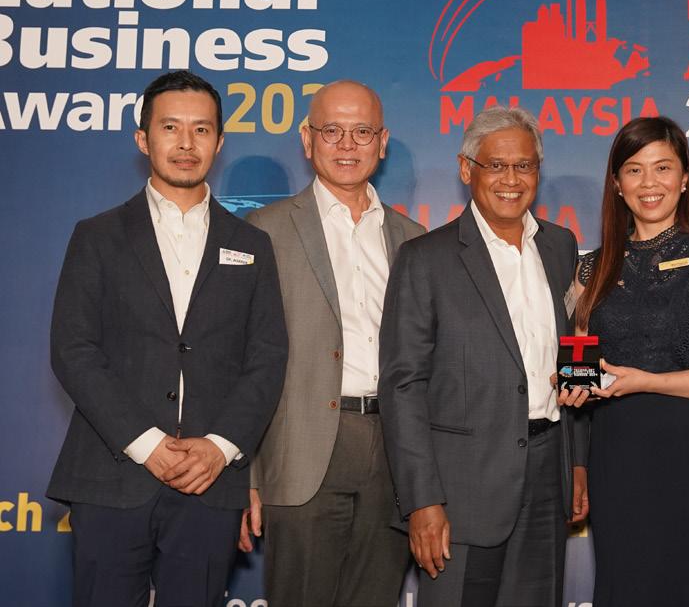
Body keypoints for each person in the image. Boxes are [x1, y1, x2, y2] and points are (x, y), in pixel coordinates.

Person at [47, 70, 288, 607]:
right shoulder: (97, 236)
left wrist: (220, 447)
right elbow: (73, 349)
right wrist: (146, 443)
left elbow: (268, 357)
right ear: (143, 139)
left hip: (210, 483)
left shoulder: (253, 245)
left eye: (201, 130)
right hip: (112, 475)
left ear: (219, 143)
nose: (186, 143)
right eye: (170, 127)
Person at [378, 105, 588, 607]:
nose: (511, 179)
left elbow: (576, 345)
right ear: (466, 169)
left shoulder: (561, 246)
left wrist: (577, 461)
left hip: (549, 474)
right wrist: (422, 500)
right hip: (460, 490)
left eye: (524, 165)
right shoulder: (426, 258)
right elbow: (403, 385)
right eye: (496, 165)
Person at [238, 80, 422, 606]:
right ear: (307, 138)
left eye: (361, 132)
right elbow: (241, 359)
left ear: (381, 143)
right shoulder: (263, 230)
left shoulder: (414, 239)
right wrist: (245, 473)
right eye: (331, 130)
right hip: (301, 452)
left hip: (395, 452)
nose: (346, 144)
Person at [561, 116, 689, 606]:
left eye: (663, 168)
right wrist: (571, 383)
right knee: (629, 584)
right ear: (616, 183)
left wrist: (648, 381)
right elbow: (580, 361)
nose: (649, 183)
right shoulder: (589, 268)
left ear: (685, 178)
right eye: (634, 170)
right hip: (618, 452)